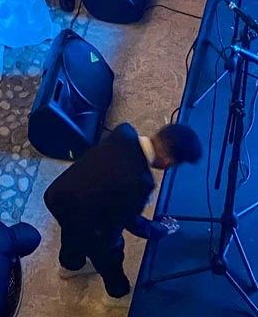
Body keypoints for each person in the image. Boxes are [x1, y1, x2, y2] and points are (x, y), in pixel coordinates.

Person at [43, 121, 203, 298]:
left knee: (71, 230)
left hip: (58, 195)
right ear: (168, 161)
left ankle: (71, 265)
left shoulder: (124, 132)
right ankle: (118, 294)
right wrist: (162, 229)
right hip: (85, 215)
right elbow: (131, 221)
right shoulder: (141, 181)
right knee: (109, 255)